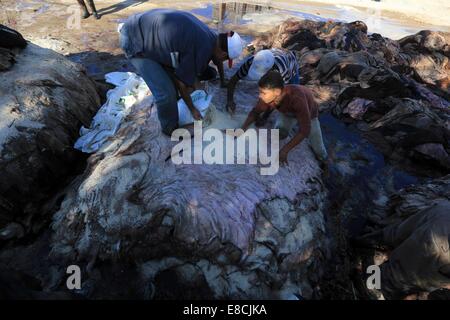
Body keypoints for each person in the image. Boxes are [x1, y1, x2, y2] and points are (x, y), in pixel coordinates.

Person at [119, 9, 243, 135]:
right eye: (226, 59)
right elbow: (181, 83)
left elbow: (218, 61)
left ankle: (176, 100)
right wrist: (193, 109)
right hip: (135, 41)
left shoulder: (214, 38)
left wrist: (222, 81)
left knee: (202, 74)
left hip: (149, 32)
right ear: (222, 53)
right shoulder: (201, 49)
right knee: (166, 94)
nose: (223, 61)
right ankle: (170, 128)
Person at [240, 70, 328, 164]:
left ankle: (324, 160)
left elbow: (305, 130)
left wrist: (285, 150)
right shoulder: (268, 97)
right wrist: (242, 130)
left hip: (310, 113)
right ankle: (287, 128)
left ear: (277, 92)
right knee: (279, 133)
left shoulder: (297, 99)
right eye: (260, 92)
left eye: (263, 92)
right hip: (288, 113)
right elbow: (255, 112)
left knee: (318, 147)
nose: (260, 96)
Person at [226, 48, 299, 117]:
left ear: (270, 70)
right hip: (274, 53)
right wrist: (229, 101)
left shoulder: (282, 71)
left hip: (290, 62)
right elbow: (233, 80)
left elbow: (278, 96)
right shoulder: (251, 62)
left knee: (291, 95)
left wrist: (265, 116)